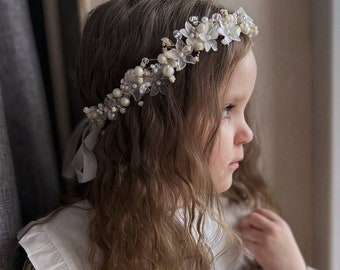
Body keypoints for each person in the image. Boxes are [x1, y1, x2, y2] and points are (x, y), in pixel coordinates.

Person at [18, 0, 315, 269]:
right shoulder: (65, 252)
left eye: (243, 109)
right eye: (226, 109)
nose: (247, 134)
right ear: (156, 121)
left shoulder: (244, 222)